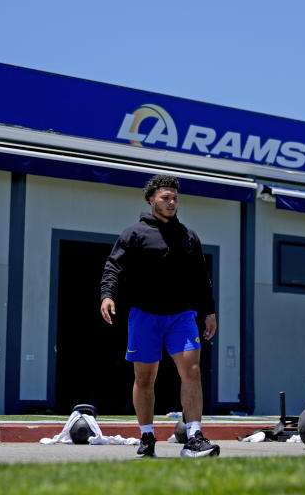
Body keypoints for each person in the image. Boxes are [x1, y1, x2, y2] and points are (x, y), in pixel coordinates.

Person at [99, 174, 220, 458]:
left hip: (182, 315)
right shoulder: (134, 234)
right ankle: (147, 436)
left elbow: (201, 278)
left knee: (192, 370)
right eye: (165, 198)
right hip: (145, 315)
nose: (171, 202)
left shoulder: (189, 236)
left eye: (175, 198)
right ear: (151, 200)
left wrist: (209, 311)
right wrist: (107, 295)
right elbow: (113, 267)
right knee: (144, 378)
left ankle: (194, 437)